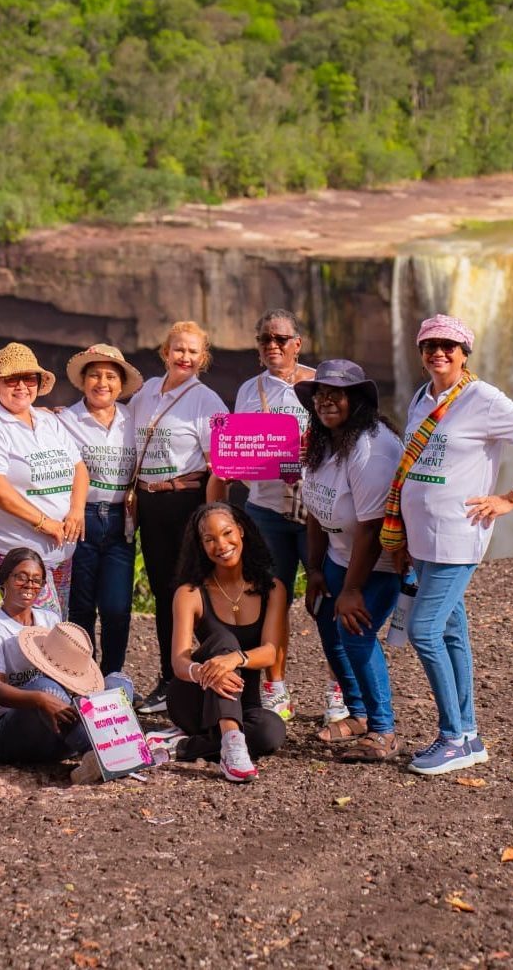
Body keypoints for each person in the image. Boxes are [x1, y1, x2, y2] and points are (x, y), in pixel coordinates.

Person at [381, 314, 513, 776]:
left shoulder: (483, 399)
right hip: (423, 540)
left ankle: (451, 737)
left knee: (424, 631)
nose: (438, 353)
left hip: (457, 539)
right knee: (451, 632)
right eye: (429, 346)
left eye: (448, 345)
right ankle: (468, 735)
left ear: (464, 353)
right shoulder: (423, 398)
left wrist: (512, 497)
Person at [297, 360, 404, 761]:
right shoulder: (325, 441)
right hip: (340, 558)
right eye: (319, 394)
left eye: (335, 394)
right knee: (329, 628)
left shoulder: (371, 447)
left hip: (378, 564)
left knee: (355, 635)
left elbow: (373, 529)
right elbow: (314, 510)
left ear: (356, 400)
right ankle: (357, 713)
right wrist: (315, 570)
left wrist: (353, 589)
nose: (325, 401)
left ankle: (383, 730)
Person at [127, 321, 228, 715]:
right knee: (163, 591)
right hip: (150, 504)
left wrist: (211, 517)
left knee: (192, 591)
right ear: (164, 351)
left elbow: (219, 466)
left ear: (203, 358)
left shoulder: (208, 401)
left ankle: (201, 675)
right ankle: (170, 678)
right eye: (178, 349)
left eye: (193, 351)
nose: (184, 357)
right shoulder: (147, 392)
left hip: (187, 502)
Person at [0, 547, 133, 775]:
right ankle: (108, 755)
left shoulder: (49, 619)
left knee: (119, 682)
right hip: (17, 735)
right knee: (44, 686)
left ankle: (101, 754)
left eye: (36, 580)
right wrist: (39, 699)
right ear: (5, 580)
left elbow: (72, 676)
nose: (29, 585)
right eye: (21, 577)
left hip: (62, 734)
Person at [164, 502, 287, 782]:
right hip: (194, 697)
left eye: (227, 533)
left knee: (270, 733)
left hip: (246, 699)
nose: (221, 544)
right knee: (223, 639)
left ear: (241, 531)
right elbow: (179, 662)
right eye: (209, 539)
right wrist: (205, 672)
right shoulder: (190, 592)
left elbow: (270, 653)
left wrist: (236, 659)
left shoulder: (272, 589)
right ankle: (232, 745)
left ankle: (181, 747)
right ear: (201, 545)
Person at [233, 308, 316, 722]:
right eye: (265, 339)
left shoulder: (321, 384)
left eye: (281, 339)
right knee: (271, 601)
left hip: (316, 510)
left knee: (328, 599)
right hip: (264, 509)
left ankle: (340, 692)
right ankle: (275, 687)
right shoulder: (249, 390)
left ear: (297, 344)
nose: (272, 346)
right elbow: (239, 455)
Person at [0, 343, 89, 617]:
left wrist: (77, 509)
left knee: (55, 623)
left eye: (29, 378)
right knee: (39, 629)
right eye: (11, 379)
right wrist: (44, 523)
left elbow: (79, 467)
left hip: (59, 550)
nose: (21, 386)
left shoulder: (48, 421)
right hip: (14, 550)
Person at [58, 344, 143, 675]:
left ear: (121, 385)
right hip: (82, 517)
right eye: (94, 375)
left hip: (122, 519)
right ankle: (81, 676)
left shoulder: (132, 419)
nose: (102, 383)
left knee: (117, 606)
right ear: (82, 381)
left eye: (110, 376)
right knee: (80, 605)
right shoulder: (65, 420)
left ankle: (112, 676)